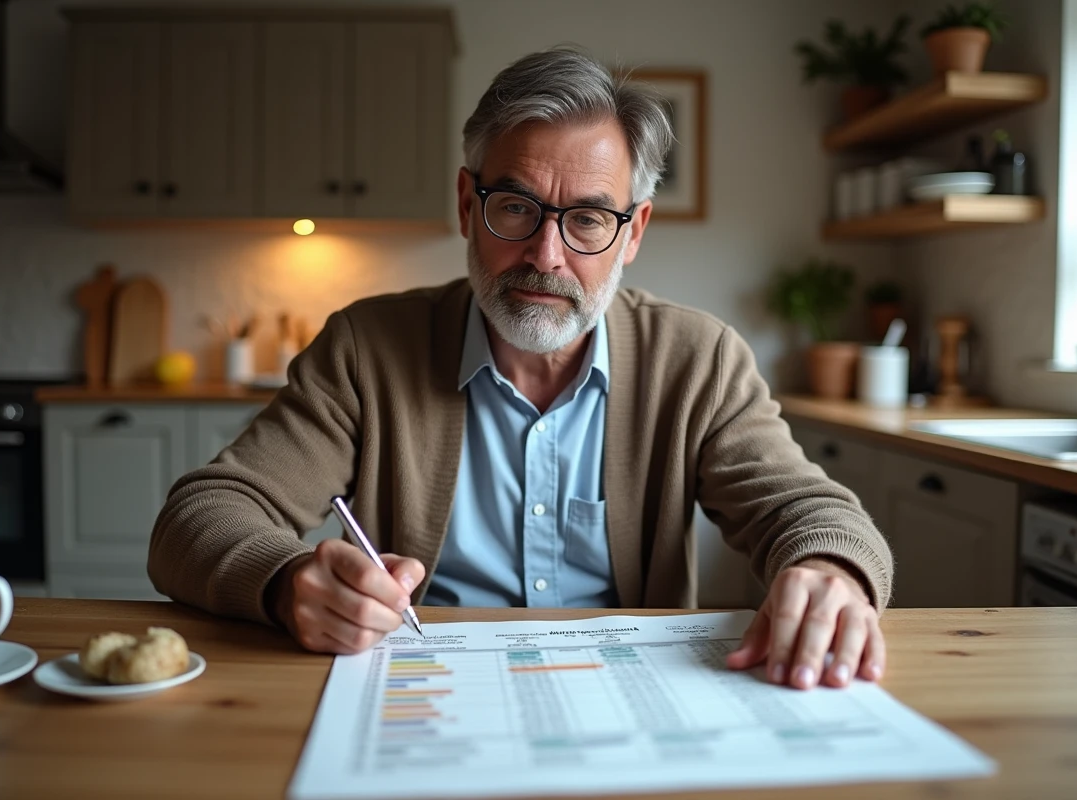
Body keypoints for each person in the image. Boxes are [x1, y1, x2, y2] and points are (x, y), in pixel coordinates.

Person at [149, 47, 893, 692]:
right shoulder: (365, 348)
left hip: (631, 700)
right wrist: (283, 584)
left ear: (632, 233)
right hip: (417, 690)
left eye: (589, 219)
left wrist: (830, 570)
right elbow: (200, 517)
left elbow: (808, 510)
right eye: (516, 207)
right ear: (468, 205)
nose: (546, 255)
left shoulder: (698, 360)